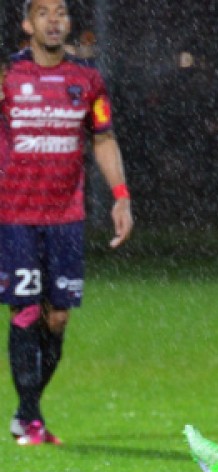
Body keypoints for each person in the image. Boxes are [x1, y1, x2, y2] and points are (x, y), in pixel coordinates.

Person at [2, 0, 133, 446]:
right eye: (43, 12)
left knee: (57, 318)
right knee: (27, 310)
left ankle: (26, 413)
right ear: (27, 23)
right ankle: (30, 417)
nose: (54, 20)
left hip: (65, 218)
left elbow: (104, 137)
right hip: (15, 215)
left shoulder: (87, 81)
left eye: (60, 12)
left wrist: (121, 197)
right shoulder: (8, 77)